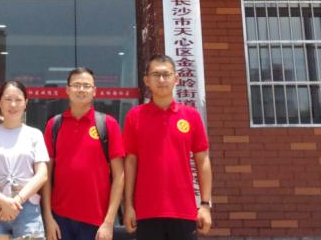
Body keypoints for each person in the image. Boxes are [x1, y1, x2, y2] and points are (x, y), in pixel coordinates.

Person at [123, 55, 212, 240]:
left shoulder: (191, 116)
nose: (161, 80)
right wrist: (129, 205)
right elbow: (130, 162)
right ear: (147, 80)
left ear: (176, 78)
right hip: (146, 211)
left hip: (184, 210)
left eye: (166, 74)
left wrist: (204, 205)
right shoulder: (135, 116)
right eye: (156, 75)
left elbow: (202, 160)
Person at [42, 67, 124, 240]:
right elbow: (46, 175)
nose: (81, 89)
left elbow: (119, 175)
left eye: (86, 86)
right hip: (60, 218)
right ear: (67, 90)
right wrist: (48, 218)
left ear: (94, 91)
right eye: (76, 85)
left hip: (97, 220)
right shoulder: (54, 125)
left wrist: (109, 222)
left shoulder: (108, 124)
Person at [0, 80, 50, 240]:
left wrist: (16, 201)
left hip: (27, 207)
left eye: (18, 100)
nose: (13, 104)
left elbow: (42, 174)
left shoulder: (35, 135)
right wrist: (3, 202)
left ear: (25, 103)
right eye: (8, 99)